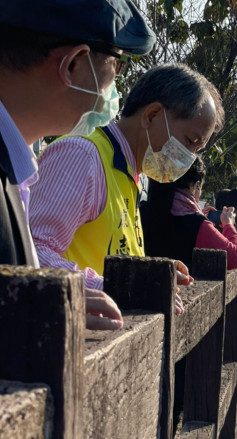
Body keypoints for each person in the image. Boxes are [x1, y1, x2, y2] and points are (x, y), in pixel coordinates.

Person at [0, 0, 154, 330]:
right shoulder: (78, 156)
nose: (114, 84)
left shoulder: (15, 168)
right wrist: (40, 312)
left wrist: (42, 306)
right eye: (117, 65)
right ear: (73, 64)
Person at [29, 63, 225, 313]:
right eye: (189, 142)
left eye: (197, 151)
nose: (189, 159)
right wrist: (118, 288)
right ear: (152, 115)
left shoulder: (130, 176)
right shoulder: (83, 157)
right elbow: (33, 252)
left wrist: (151, 274)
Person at [141, 156, 237, 270]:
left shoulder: (141, 211)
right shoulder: (197, 224)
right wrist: (228, 223)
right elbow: (236, 258)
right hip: (178, 287)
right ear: (196, 185)